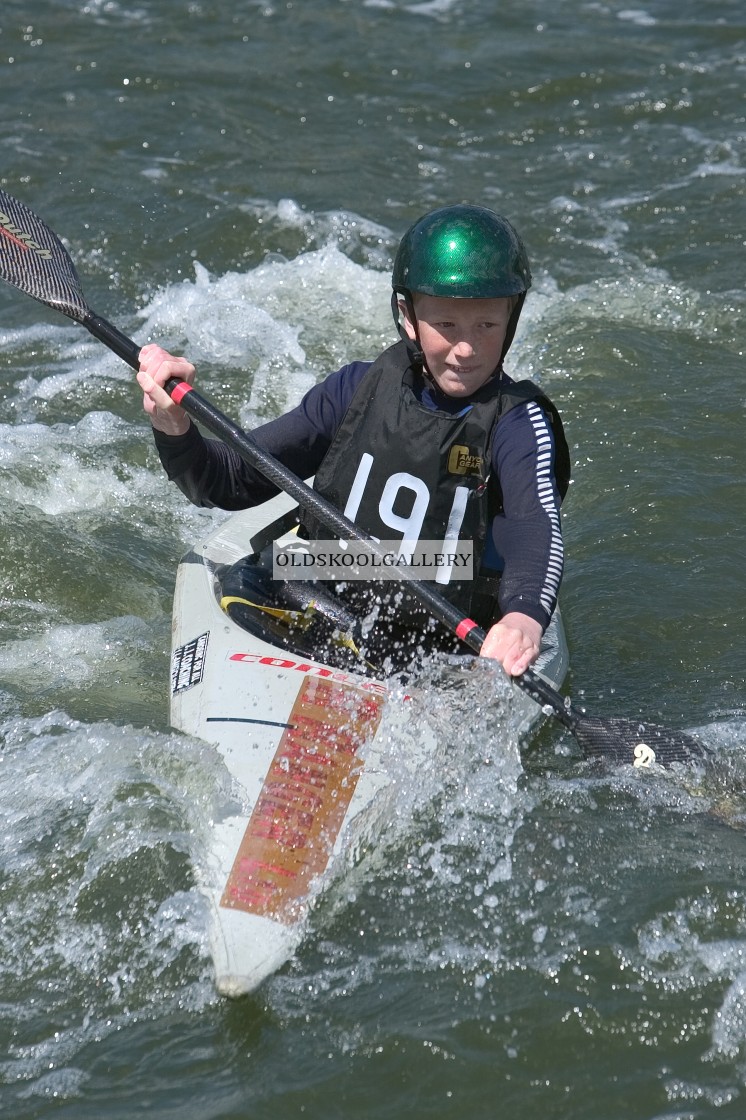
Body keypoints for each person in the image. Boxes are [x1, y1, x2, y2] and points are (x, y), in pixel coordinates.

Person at [137, 204, 570, 677]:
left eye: (486, 325)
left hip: (449, 636)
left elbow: (535, 524)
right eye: (446, 325)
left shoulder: (519, 424)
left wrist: (524, 618)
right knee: (246, 583)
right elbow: (225, 482)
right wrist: (173, 423)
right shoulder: (355, 391)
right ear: (408, 316)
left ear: (510, 320)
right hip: (328, 602)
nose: (466, 348)